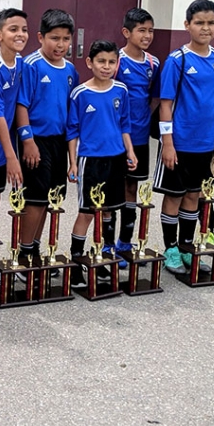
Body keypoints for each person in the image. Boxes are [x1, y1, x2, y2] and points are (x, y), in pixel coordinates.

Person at [153, 0, 214, 274]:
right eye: (199, 22)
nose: (205, 28)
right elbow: (165, 104)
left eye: (211, 23)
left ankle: (187, 247)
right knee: (174, 195)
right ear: (187, 25)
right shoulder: (178, 60)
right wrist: (168, 143)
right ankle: (170, 248)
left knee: (194, 196)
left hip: (206, 143)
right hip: (179, 142)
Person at [66, 40, 137, 288]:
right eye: (101, 61)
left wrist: (130, 151)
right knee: (86, 213)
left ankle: (103, 259)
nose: (106, 67)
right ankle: (76, 264)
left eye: (111, 62)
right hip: (90, 160)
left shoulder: (121, 91)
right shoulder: (80, 93)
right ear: (90, 63)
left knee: (108, 210)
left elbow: (124, 125)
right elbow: (72, 131)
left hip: (116, 158)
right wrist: (73, 163)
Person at [15, 9, 78, 263]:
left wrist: (72, 156)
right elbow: (21, 106)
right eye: (54, 38)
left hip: (59, 141)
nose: (60, 44)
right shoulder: (31, 65)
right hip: (36, 141)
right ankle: (24, 250)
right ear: (40, 37)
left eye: (65, 39)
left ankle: (36, 249)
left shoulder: (72, 70)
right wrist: (28, 141)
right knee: (35, 199)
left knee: (51, 198)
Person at [112, 8, 159, 259]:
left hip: (139, 137)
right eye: (142, 30)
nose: (147, 35)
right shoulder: (116, 61)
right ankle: (106, 244)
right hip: (115, 137)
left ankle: (124, 241)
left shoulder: (154, 63)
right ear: (126, 32)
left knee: (132, 186)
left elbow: (155, 96)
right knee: (111, 187)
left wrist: (142, 116)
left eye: (150, 30)